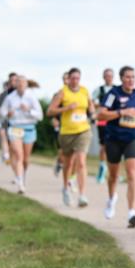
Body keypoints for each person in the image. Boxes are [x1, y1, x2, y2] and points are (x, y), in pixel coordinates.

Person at [100, 66, 135, 227]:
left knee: (132, 172)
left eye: (133, 77)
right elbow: (100, 114)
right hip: (114, 138)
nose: (131, 80)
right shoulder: (113, 94)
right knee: (113, 176)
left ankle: (132, 211)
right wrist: (120, 112)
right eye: (128, 77)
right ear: (121, 78)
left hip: (132, 138)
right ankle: (111, 199)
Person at [48, 67, 95, 207]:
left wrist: (92, 114)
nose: (75, 81)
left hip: (83, 130)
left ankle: (82, 195)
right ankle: (65, 188)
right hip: (67, 132)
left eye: (77, 78)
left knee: (81, 161)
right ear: (68, 79)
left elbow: (90, 105)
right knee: (68, 164)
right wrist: (66, 109)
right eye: (73, 78)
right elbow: (50, 111)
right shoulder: (62, 93)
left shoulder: (84, 91)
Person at [0, 76, 43, 193]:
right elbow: (2, 112)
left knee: (25, 159)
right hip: (15, 127)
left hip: (29, 128)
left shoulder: (32, 98)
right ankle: (20, 184)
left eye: (23, 83)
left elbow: (40, 116)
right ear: (16, 85)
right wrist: (8, 113)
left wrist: (29, 110)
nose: (21, 85)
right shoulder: (10, 98)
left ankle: (22, 176)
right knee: (19, 155)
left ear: (26, 85)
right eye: (18, 83)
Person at [93, 68, 115, 184]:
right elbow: (91, 101)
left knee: (115, 146)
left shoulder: (117, 89)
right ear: (104, 77)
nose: (108, 78)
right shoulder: (99, 90)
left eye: (110, 76)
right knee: (104, 145)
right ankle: (102, 166)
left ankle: (113, 171)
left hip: (115, 120)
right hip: (102, 120)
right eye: (107, 76)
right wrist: (97, 108)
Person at [0, 73, 18, 163]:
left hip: (16, 121)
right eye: (11, 81)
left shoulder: (20, 93)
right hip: (4, 120)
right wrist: (4, 113)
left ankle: (9, 155)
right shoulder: (3, 95)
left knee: (12, 140)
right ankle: (6, 154)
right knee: (3, 135)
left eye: (15, 80)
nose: (13, 82)